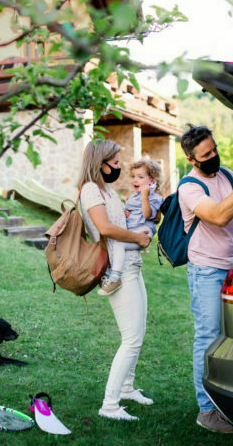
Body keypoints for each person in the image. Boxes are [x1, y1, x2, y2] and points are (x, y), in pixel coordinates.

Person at [177, 124, 233, 434]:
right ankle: (206, 411)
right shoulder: (189, 187)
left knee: (232, 337)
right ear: (192, 159)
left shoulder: (227, 175)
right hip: (205, 271)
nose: (213, 156)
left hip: (231, 268)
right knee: (208, 336)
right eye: (206, 154)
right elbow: (218, 216)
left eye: (215, 149)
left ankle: (227, 398)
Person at [77, 139, 155, 421]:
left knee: (138, 333)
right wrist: (137, 237)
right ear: (101, 163)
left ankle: (126, 388)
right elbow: (105, 228)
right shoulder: (89, 190)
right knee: (131, 338)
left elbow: (119, 222)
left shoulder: (105, 190)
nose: (120, 167)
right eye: (116, 162)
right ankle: (109, 405)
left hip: (132, 266)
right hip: (117, 273)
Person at [98, 158, 165, 296]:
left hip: (143, 231)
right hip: (135, 229)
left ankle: (115, 278)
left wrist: (145, 197)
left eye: (140, 177)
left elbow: (147, 214)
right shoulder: (135, 196)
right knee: (116, 244)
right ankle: (111, 273)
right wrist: (126, 213)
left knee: (118, 245)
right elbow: (133, 213)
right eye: (133, 176)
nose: (135, 180)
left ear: (152, 181)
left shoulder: (154, 197)